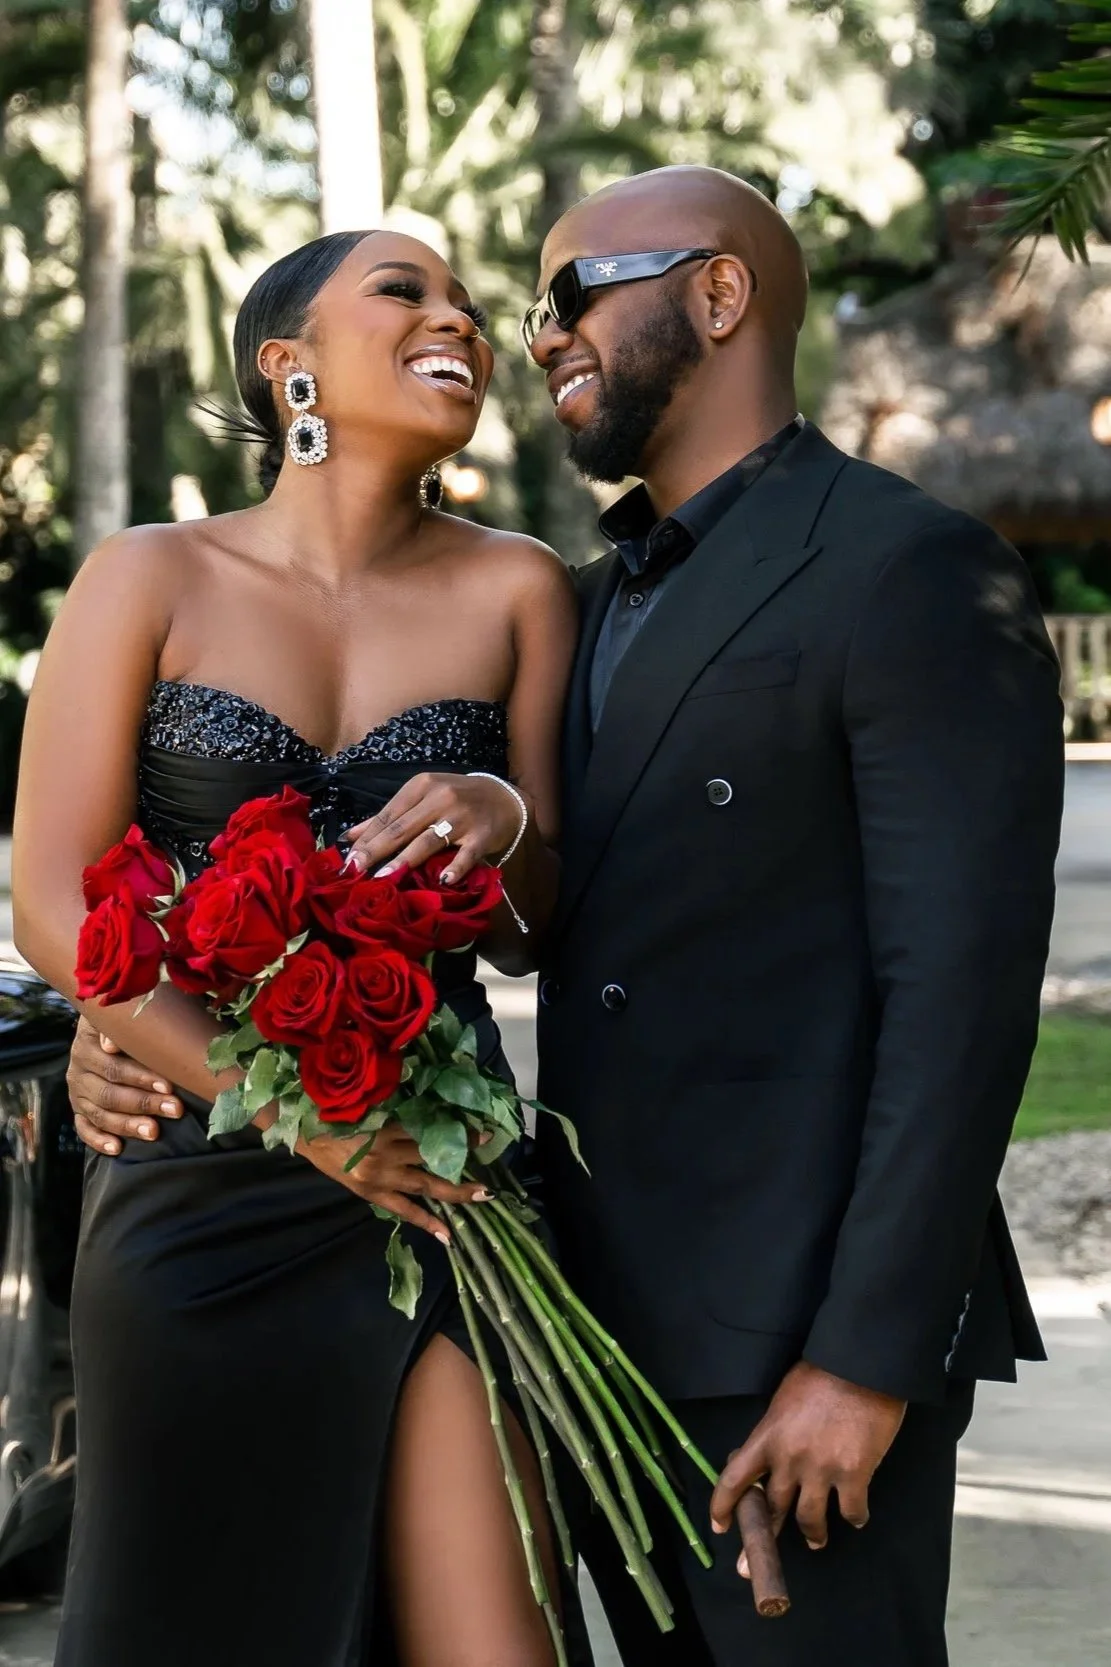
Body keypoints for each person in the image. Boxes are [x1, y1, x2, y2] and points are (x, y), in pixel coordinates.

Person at [65, 166, 1066, 1667]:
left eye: (554, 297)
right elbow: (79, 888)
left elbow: (956, 993)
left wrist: (862, 1360)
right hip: (461, 1260)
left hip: (680, 1292)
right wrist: (133, 1022)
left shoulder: (876, 571)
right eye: (457, 296)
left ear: (716, 296)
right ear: (289, 371)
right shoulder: (580, 596)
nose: (514, 330)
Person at [12, 229, 584, 1667]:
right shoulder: (146, 576)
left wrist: (502, 812)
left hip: (440, 1179)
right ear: (290, 367)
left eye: (462, 298)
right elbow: (56, 905)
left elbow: (532, 928)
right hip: (195, 1180)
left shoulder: (522, 590)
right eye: (402, 290)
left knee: (495, 1638)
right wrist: (296, 1115)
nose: (452, 313)